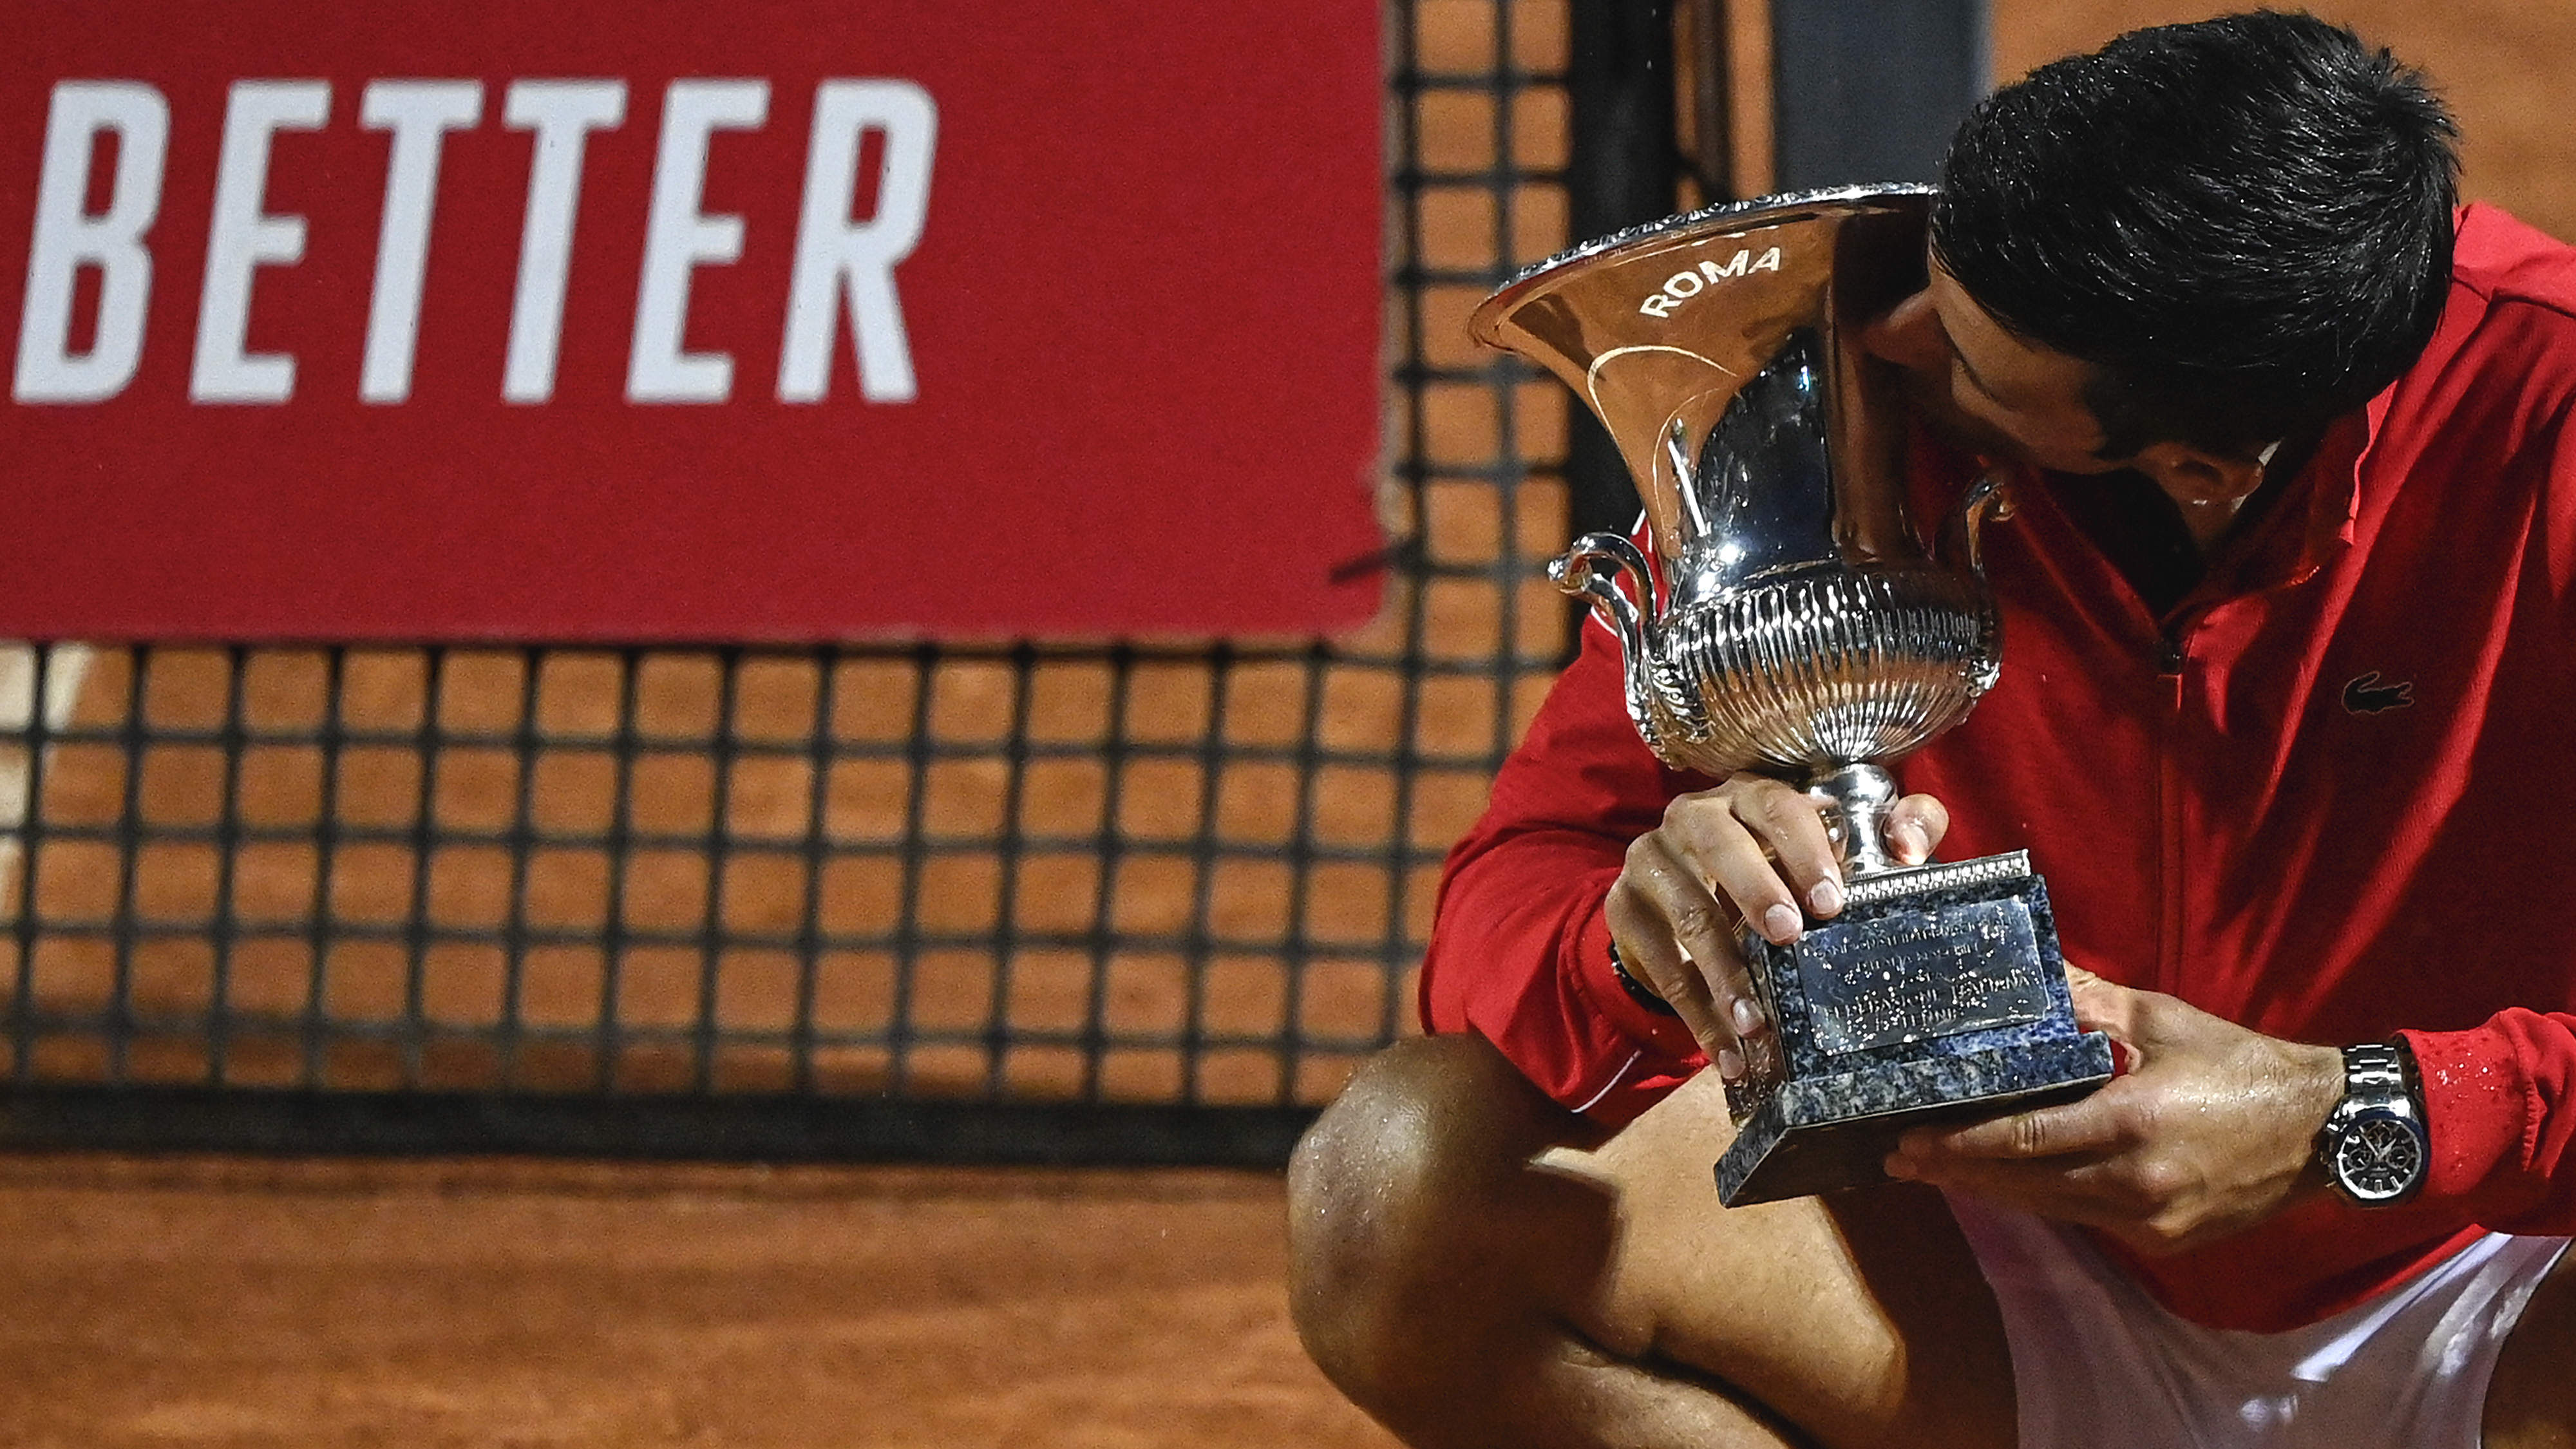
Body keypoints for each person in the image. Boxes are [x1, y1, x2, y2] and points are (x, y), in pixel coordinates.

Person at [1287, 12, 2576, 1449]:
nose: (1886, 343)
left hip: (2483, 1286)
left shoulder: (2553, 414)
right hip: (1986, 1287)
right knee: (1400, 1188)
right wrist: (1635, 946)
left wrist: (2364, 1117)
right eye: (1928, 284)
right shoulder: (1839, 397)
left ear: (2197, 462)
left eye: (1972, 368)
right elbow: (1515, 873)